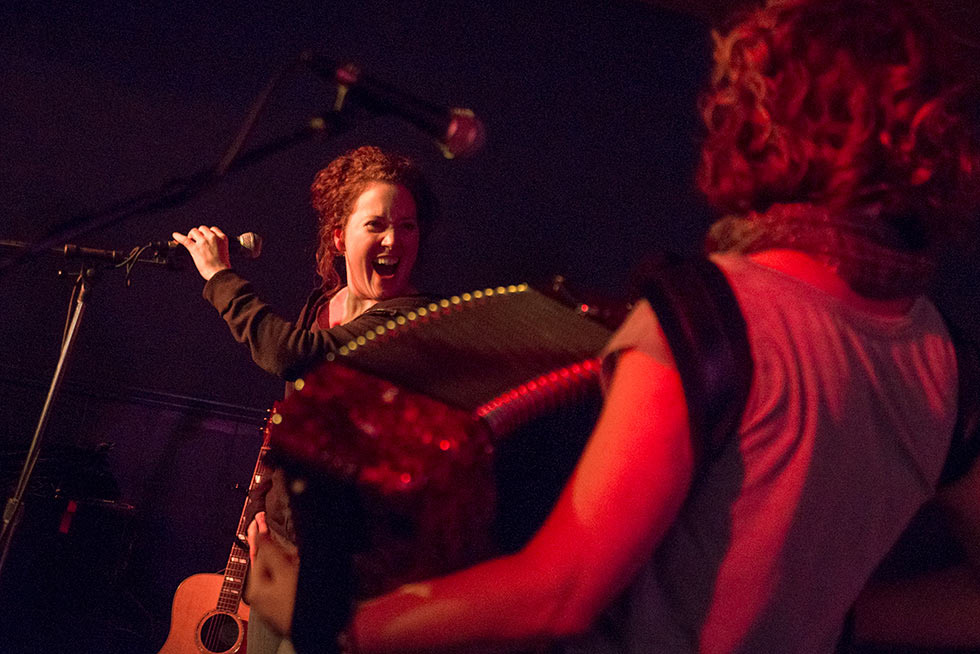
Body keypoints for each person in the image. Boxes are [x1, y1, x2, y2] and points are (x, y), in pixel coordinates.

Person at [246, 0, 980, 651]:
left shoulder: (713, 317)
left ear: (762, 117)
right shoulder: (945, 359)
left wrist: (337, 623)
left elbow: (561, 595)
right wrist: (838, 621)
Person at [172, 145, 438, 654]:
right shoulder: (325, 303)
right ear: (340, 236)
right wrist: (263, 506)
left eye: (407, 226)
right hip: (281, 549)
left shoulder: (409, 318)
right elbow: (294, 418)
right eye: (377, 224)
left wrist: (219, 277)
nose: (394, 239)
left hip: (345, 567)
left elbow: (288, 354)